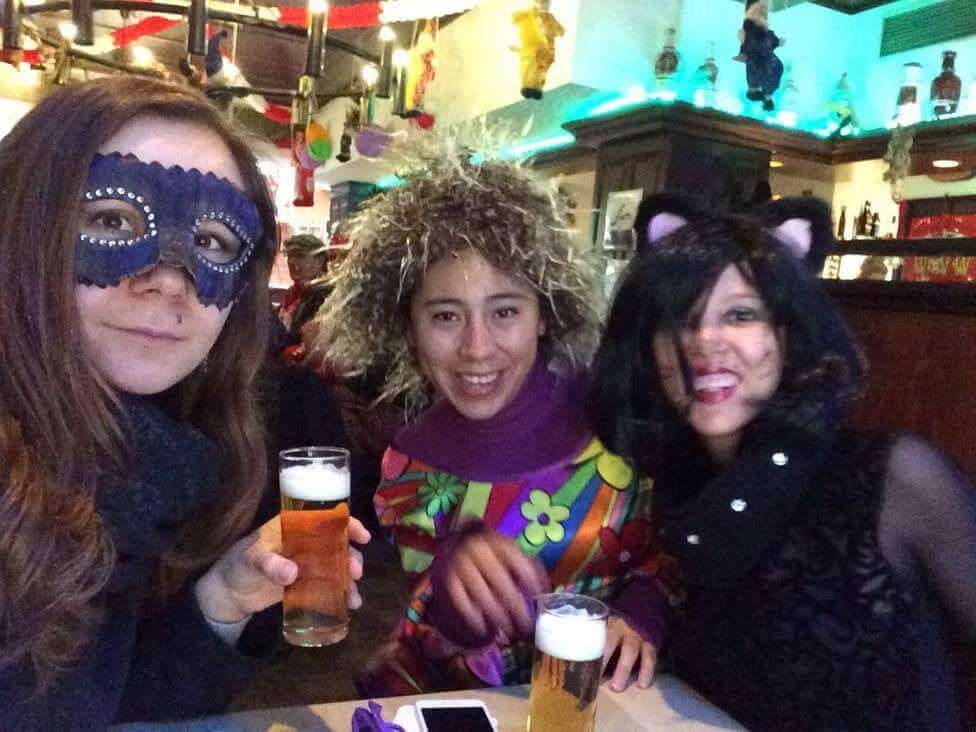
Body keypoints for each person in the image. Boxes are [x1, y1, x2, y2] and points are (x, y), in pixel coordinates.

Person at [0, 76, 368, 727]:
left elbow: (101, 711)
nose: (169, 281)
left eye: (211, 242)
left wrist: (222, 597)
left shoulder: (149, 470)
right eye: (112, 219)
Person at [588, 193, 976, 729]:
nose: (705, 341)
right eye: (681, 317)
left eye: (741, 314)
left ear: (788, 333)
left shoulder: (896, 481)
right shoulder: (670, 493)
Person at [313, 136, 676, 697]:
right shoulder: (407, 467)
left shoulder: (619, 415)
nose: (477, 348)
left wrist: (642, 614)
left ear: (544, 314)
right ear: (409, 329)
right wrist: (454, 592)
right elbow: (436, 634)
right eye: (445, 316)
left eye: (505, 310)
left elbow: (675, 552)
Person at [273, 233, 330, 360]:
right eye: (290, 256)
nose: (292, 262)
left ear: (320, 260)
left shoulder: (323, 294)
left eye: (300, 256)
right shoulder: (293, 292)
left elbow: (303, 337)